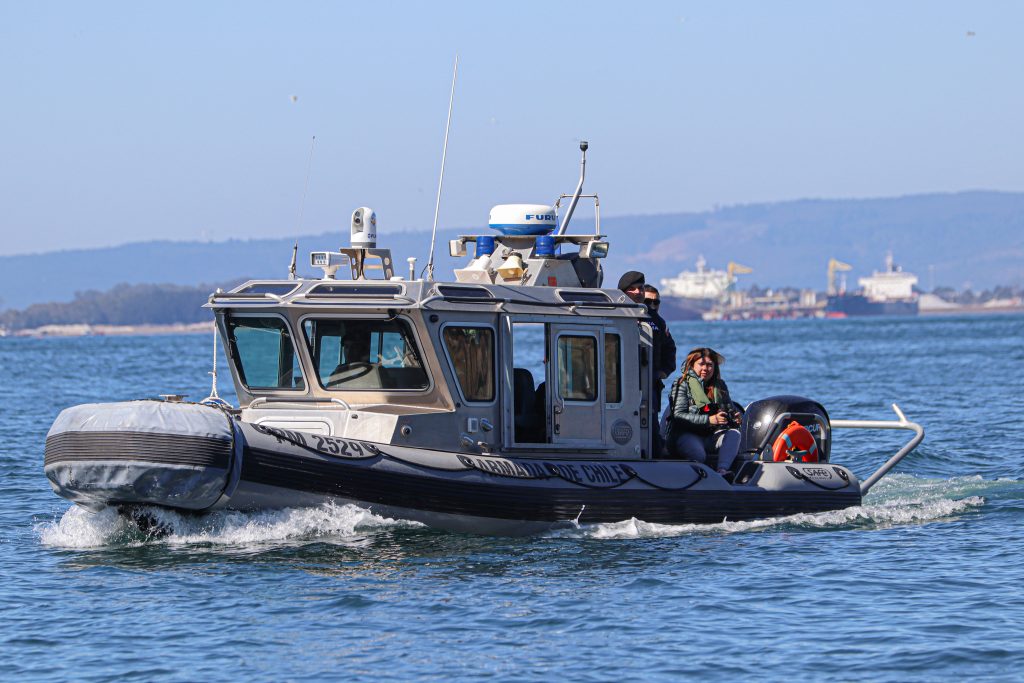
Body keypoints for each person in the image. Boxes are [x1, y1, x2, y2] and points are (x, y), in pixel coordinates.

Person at [618, 271, 676, 455]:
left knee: (649, 425)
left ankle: (654, 459)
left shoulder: (655, 320)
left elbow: (669, 349)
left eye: (640, 288)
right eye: (632, 289)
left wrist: (663, 372)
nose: (637, 292)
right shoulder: (612, 312)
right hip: (618, 385)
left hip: (649, 384)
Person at [666, 347, 742, 474]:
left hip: (711, 436)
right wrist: (709, 419)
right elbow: (678, 416)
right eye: (701, 364)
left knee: (734, 434)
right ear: (692, 365)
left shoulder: (720, 386)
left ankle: (722, 470)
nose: (705, 369)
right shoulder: (682, 384)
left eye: (709, 365)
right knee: (698, 455)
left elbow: (729, 411)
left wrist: (735, 419)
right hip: (686, 434)